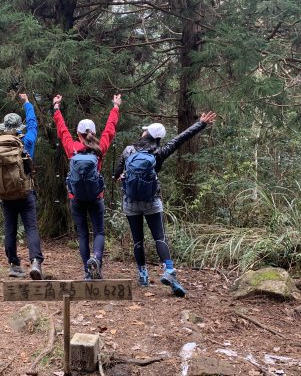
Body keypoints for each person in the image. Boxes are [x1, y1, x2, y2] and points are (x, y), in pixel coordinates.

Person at [113, 112, 217, 296]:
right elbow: (180, 139)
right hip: (152, 201)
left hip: (130, 202)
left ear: (146, 134)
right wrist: (200, 123)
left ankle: (143, 275)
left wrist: (121, 177)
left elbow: (116, 174)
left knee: (138, 240)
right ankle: (169, 270)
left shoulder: (129, 150)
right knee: (160, 237)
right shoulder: (159, 152)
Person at [52, 94, 121, 279]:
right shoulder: (100, 148)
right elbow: (110, 129)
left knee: (83, 234)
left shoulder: (72, 148)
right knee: (99, 231)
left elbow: (62, 130)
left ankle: (87, 272)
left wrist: (57, 108)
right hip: (96, 196)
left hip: (76, 198)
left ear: (78, 134)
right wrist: (115, 107)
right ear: (93, 133)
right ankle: (97, 260)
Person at [0, 94, 45, 280]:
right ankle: (35, 262)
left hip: (6, 194)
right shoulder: (28, 140)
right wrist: (26, 103)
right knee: (31, 227)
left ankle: (14, 265)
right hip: (25, 191)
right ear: (19, 127)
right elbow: (33, 124)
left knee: (9, 228)